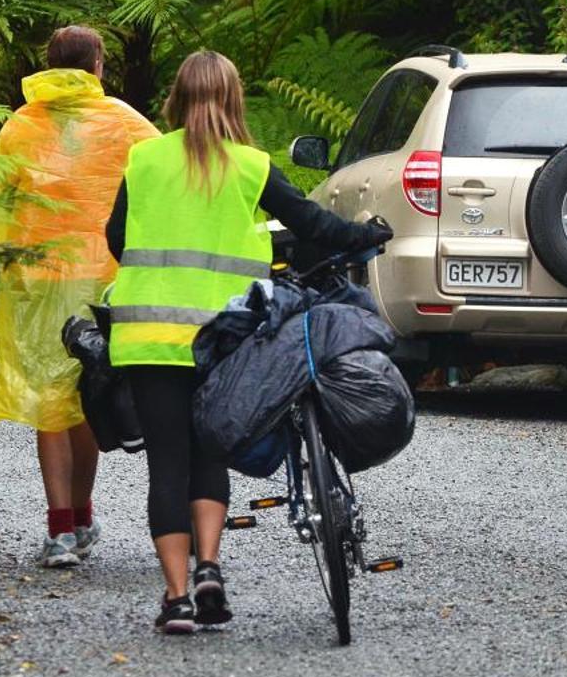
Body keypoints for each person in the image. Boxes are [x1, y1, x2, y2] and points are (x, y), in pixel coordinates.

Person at [105, 50, 389, 634]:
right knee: (210, 451)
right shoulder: (251, 166)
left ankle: (177, 598)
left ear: (177, 99)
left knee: (168, 463)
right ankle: (210, 567)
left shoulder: (144, 159)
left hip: (149, 338)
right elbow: (314, 226)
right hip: (226, 339)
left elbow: (116, 239)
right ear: (234, 99)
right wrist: (366, 236)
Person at [0, 25, 156, 569]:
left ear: (48, 63)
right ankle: (79, 516)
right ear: (98, 66)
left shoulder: (20, 125)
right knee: (88, 396)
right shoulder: (126, 123)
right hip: (104, 281)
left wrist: (16, 255)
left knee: (50, 406)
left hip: (40, 284)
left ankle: (62, 528)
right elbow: (163, 178)